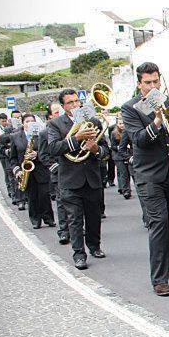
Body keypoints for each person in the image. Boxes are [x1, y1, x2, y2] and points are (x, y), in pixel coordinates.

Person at [120, 62, 169, 296]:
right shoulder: (130, 108)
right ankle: (158, 279)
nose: (153, 85)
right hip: (148, 175)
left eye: (156, 81)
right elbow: (138, 140)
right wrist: (157, 121)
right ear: (139, 84)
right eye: (148, 82)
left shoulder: (168, 102)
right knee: (158, 223)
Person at [45, 89, 109, 270]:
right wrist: (76, 138)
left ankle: (95, 246)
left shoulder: (94, 121)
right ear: (63, 106)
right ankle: (79, 254)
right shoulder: (56, 124)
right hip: (70, 179)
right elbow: (53, 148)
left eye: (76, 101)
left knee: (94, 216)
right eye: (70, 103)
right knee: (74, 219)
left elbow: (106, 151)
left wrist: (96, 149)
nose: (74, 105)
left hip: (92, 178)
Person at [7, 112, 55, 229]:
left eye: (32, 121)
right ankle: (35, 220)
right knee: (32, 197)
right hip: (26, 172)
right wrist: (17, 170)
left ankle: (48, 218)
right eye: (27, 122)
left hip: (41, 169)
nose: (29, 124)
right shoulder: (15, 136)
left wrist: (37, 154)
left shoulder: (41, 135)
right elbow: (12, 158)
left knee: (44, 195)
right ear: (23, 124)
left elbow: (48, 152)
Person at [42, 102, 69, 244]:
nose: (60, 114)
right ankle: (64, 231)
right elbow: (44, 155)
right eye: (56, 112)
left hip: (72, 170)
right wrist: (54, 166)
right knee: (62, 201)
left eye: (60, 111)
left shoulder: (74, 126)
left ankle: (77, 227)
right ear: (51, 116)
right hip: (58, 171)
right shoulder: (44, 133)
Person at [0, 113, 18, 204]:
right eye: (2, 121)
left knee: (12, 172)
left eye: (5, 121)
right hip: (3, 154)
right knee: (7, 172)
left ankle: (16, 191)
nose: (4, 123)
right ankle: (10, 191)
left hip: (11, 153)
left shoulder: (11, 128)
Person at [109, 116, 132, 199]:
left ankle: (125, 188)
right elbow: (112, 146)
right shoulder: (114, 133)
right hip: (118, 156)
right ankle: (126, 191)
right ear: (117, 124)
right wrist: (118, 147)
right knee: (123, 173)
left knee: (129, 172)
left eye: (123, 123)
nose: (122, 125)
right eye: (120, 123)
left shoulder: (129, 131)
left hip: (127, 154)